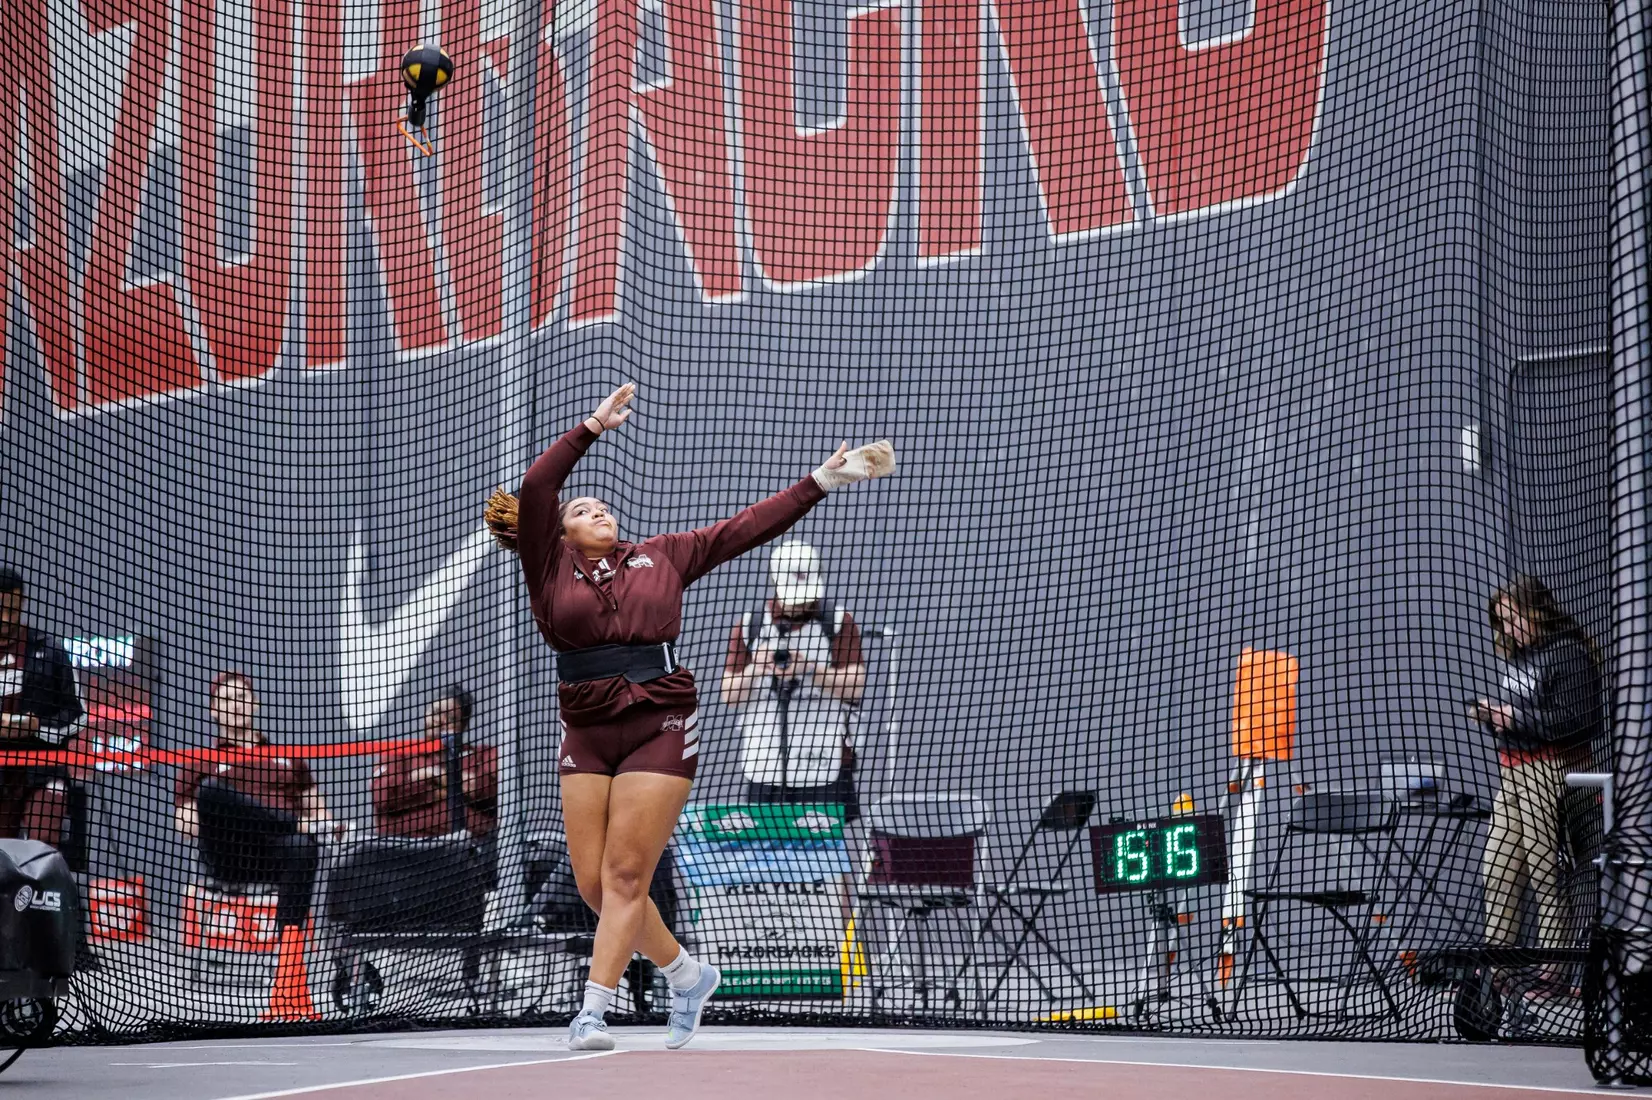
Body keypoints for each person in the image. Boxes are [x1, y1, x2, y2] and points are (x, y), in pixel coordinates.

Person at [484, 382, 894, 1051]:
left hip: (661, 721)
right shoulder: (546, 566)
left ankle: (592, 1010)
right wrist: (591, 427)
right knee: (592, 884)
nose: (600, 510)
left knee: (625, 876)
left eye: (604, 505)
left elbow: (746, 527)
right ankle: (687, 973)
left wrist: (821, 480)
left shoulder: (664, 555)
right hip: (586, 730)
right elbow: (537, 485)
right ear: (559, 531)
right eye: (584, 508)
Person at [174, 671, 338, 1020]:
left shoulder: (286, 756)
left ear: (256, 705)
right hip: (229, 853)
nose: (236, 706)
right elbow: (186, 824)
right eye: (227, 700)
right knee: (212, 792)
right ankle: (288, 823)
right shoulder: (203, 759)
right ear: (214, 710)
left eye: (243, 698)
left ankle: (288, 964)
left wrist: (318, 825)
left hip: (278, 855)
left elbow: (320, 812)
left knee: (303, 845)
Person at [1470, 575, 1604, 987]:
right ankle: (1499, 966)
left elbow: (1580, 722)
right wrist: (1495, 720)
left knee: (1545, 869)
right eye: (1502, 622)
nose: (1507, 629)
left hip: (1549, 769)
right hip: (1512, 770)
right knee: (1497, 870)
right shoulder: (1519, 659)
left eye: (1512, 619)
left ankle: (1553, 968)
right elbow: (1521, 717)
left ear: (1534, 614)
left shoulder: (1566, 654)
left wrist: (1512, 718)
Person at [719, 539, 865, 816]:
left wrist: (810, 669)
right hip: (766, 757)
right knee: (763, 849)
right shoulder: (752, 625)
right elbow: (729, 695)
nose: (801, 604)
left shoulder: (836, 622)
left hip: (823, 755)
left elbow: (855, 687)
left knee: (823, 849)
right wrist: (756, 666)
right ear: (775, 582)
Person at [0, 568, 85, 853]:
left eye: (11, 609)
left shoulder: (50, 650)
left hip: (42, 770)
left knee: (40, 850)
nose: (4, 618)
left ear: (21, 603)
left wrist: (36, 726)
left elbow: (77, 715)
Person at [371, 686, 498, 842]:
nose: (440, 721)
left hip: (471, 851)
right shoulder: (399, 753)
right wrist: (447, 789)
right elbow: (383, 796)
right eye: (436, 713)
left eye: (450, 718)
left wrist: (433, 777)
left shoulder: (480, 755)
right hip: (403, 852)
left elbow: (495, 790)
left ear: (463, 726)